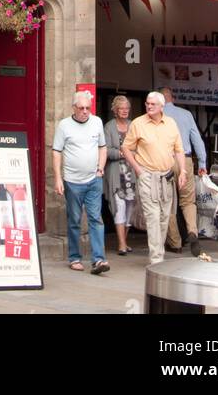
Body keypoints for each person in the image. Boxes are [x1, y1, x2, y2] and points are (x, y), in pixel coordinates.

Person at [122, 91, 186, 266]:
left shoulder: (171, 123)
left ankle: (159, 253)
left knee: (165, 216)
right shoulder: (138, 123)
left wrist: (183, 172)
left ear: (161, 106)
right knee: (153, 216)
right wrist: (138, 170)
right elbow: (126, 148)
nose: (149, 106)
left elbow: (179, 149)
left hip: (166, 176)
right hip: (147, 175)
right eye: (147, 104)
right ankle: (156, 259)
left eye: (153, 104)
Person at [52, 90, 109, 274]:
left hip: (93, 179)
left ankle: (99, 260)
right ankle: (75, 257)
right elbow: (56, 152)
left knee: (96, 219)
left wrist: (100, 168)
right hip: (72, 181)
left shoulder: (97, 122)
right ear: (74, 108)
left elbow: (103, 147)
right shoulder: (64, 126)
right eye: (81, 108)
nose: (85, 111)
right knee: (74, 220)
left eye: (88, 108)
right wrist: (58, 178)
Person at [160, 86, 208, 256]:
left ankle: (175, 243)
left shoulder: (157, 114)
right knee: (188, 201)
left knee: (168, 202)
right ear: (172, 97)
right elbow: (197, 139)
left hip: (164, 160)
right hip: (185, 160)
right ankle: (193, 231)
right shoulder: (186, 114)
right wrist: (202, 162)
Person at [103, 95, 137, 255]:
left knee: (130, 209)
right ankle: (121, 244)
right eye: (121, 108)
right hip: (117, 174)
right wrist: (123, 153)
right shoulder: (109, 127)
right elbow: (105, 150)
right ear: (115, 111)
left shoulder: (134, 125)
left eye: (127, 108)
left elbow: (140, 146)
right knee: (119, 207)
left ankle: (124, 240)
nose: (124, 111)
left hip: (132, 174)